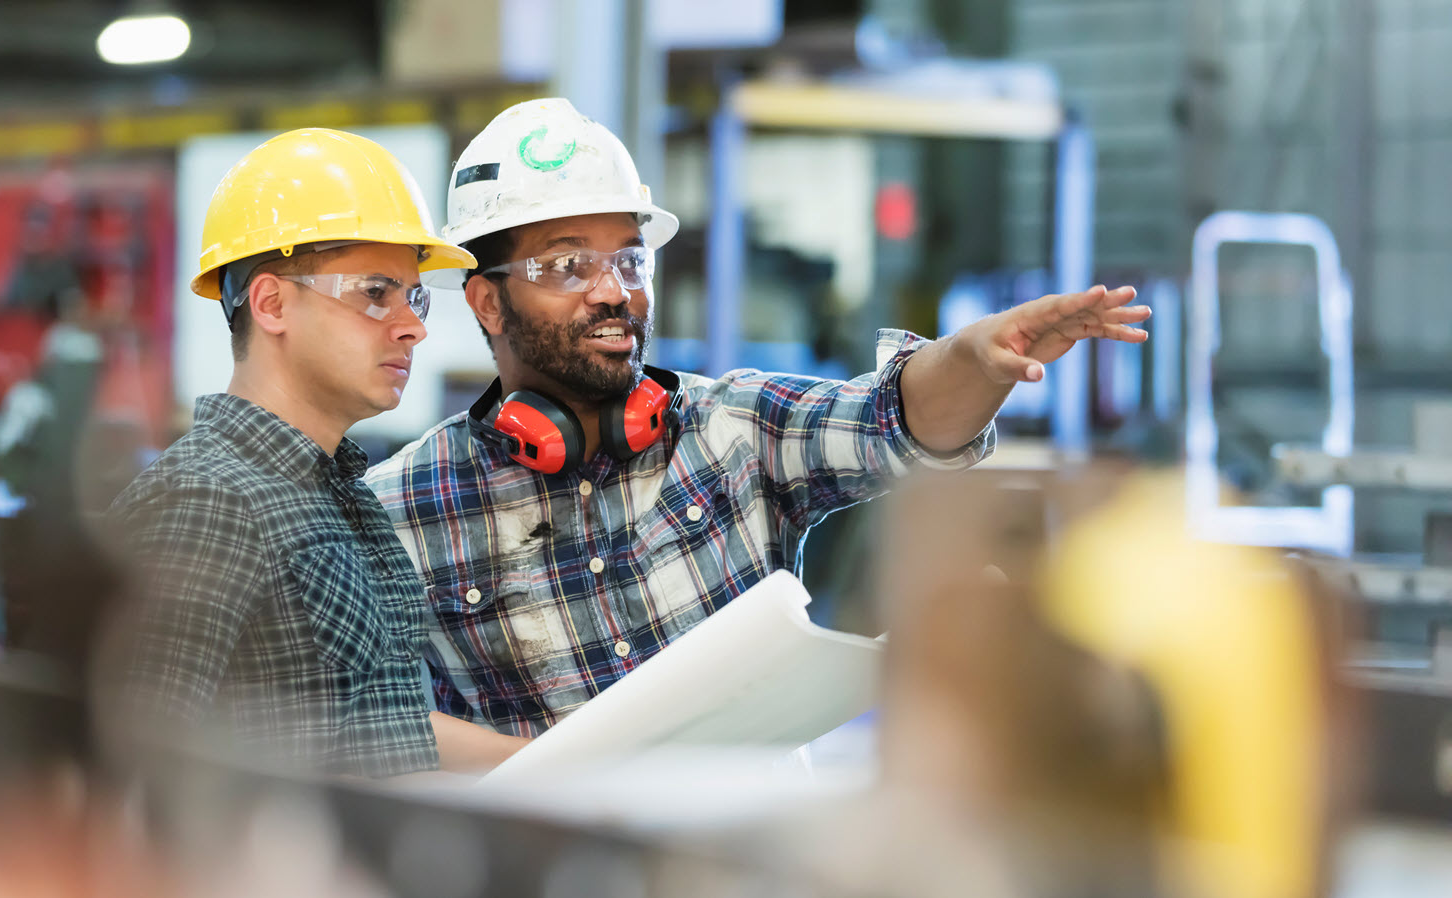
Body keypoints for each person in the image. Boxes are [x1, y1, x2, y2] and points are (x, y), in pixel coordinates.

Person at [367, 98, 1151, 738]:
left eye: (630, 259)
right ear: (486, 301)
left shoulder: (733, 428)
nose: (614, 292)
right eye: (569, 265)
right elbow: (382, 738)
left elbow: (896, 419)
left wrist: (977, 358)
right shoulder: (400, 511)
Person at [98, 128, 523, 777]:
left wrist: (564, 766)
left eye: (412, 296)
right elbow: (124, 762)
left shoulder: (342, 499)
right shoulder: (207, 502)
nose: (413, 326)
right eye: (374, 293)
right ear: (272, 304)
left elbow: (379, 727)